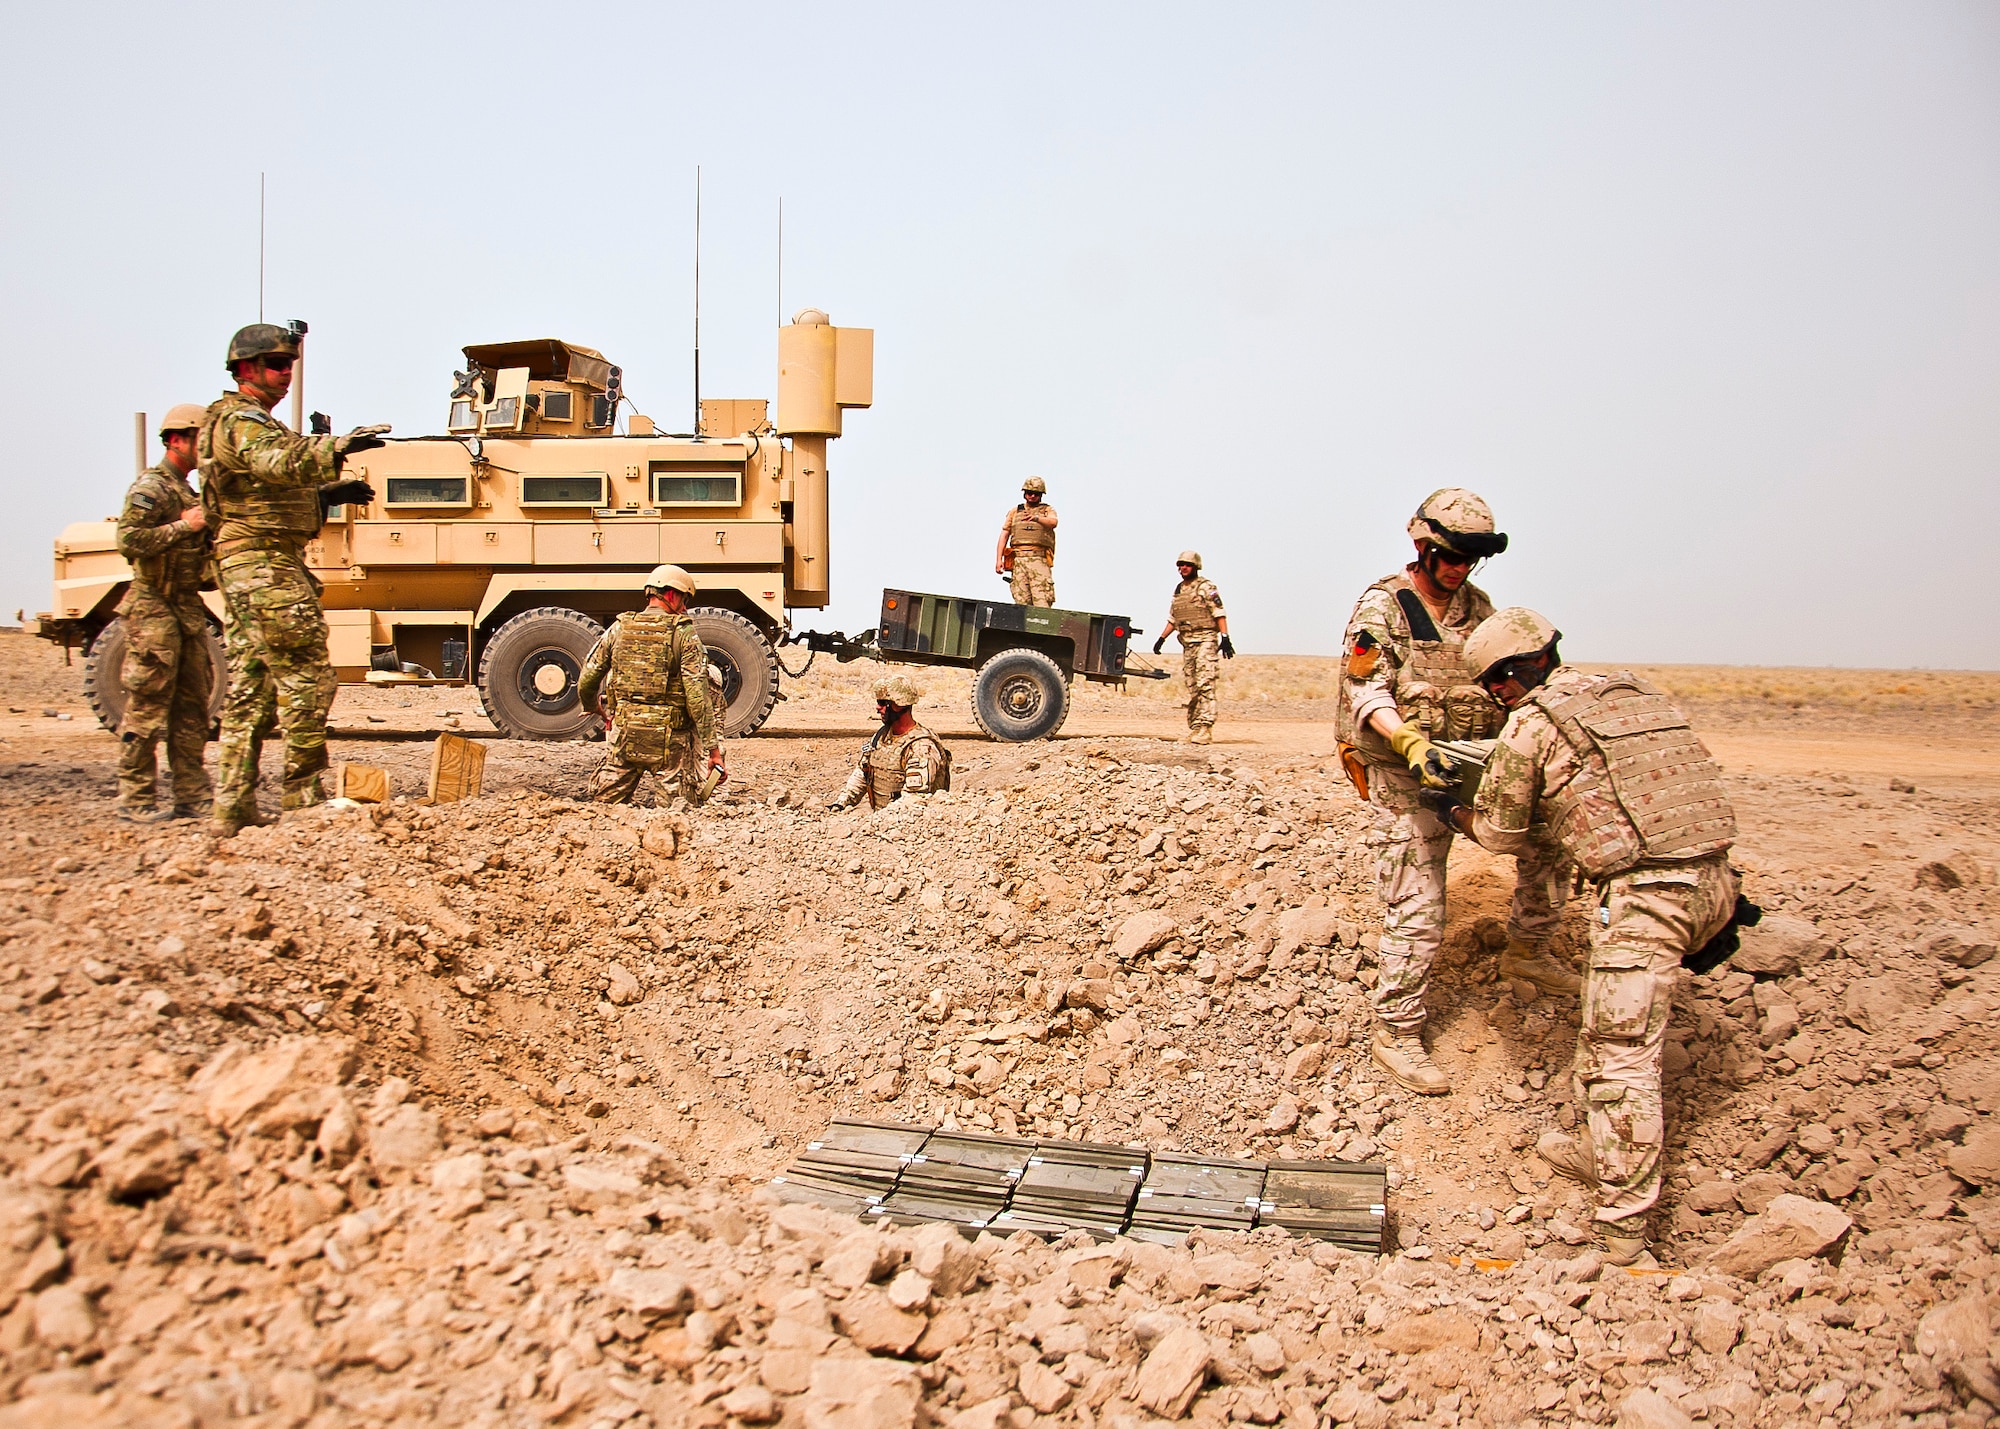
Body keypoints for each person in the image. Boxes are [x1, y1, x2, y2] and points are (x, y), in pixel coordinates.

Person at [1421, 608, 1741, 1266]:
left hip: (1651, 899)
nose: (1497, 700)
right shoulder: (1628, 690)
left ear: (1509, 678)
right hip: (1718, 882)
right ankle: (1602, 1149)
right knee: (1604, 1027)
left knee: (1623, 1059)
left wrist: (1448, 808)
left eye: (1494, 688)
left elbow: (1503, 834)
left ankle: (1623, 1235)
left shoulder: (1535, 724)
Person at [1333, 488, 1576, 1096]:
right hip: (1401, 770)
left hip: (1467, 762)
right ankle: (1395, 1027)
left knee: (1548, 842)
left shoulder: (1480, 608)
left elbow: (1508, 685)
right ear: (1423, 546)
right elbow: (1365, 691)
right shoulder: (1383, 607)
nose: (1459, 569)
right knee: (1421, 895)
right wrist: (1409, 741)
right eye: (1450, 555)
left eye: (1471, 558)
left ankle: (1528, 949)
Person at [201, 324, 387, 836]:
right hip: (261, 562)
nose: (286, 374)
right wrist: (335, 446)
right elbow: (276, 463)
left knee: (254, 686)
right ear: (244, 369)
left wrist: (330, 495)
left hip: (259, 560)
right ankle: (302, 797)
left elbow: (265, 486)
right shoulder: (241, 420)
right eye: (275, 364)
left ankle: (232, 807)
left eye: (289, 364)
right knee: (308, 675)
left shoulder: (249, 422)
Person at [112, 406, 215, 821]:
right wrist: (186, 527)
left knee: (192, 709)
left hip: (186, 607)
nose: (204, 449)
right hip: (153, 607)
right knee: (148, 706)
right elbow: (129, 540)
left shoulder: (189, 493)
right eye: (197, 440)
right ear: (176, 439)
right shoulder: (152, 488)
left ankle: (192, 795)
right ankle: (136, 799)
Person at [576, 565, 725, 805]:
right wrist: (713, 751)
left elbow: (587, 679)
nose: (685, 608)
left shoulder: (618, 628)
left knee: (604, 810)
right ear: (671, 595)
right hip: (670, 743)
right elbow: (698, 698)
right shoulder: (684, 634)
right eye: (684, 599)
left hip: (624, 735)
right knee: (675, 813)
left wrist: (594, 707)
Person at [827, 675, 950, 810]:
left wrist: (883, 821)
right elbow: (863, 772)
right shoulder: (881, 736)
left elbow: (914, 800)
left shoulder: (921, 748)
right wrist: (842, 802)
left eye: (882, 703)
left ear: (898, 705)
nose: (877, 707)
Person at [1151, 551, 1234, 745]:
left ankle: (1205, 728)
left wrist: (1225, 637)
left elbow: (1219, 612)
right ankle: (1196, 727)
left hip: (1205, 640)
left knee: (1205, 683)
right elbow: (1174, 618)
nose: (1183, 568)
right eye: (1180, 565)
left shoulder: (1206, 587)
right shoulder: (1180, 590)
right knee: (1193, 686)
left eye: (1187, 565)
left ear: (1195, 566)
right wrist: (1161, 639)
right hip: (1188, 643)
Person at [995, 476, 1058, 607]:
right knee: (1021, 602)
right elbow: (1004, 534)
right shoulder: (1015, 511)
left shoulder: (1047, 510)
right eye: (1030, 493)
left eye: (1036, 494)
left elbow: (1053, 522)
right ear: (1024, 493)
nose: (1033, 496)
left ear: (1041, 495)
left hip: (1039, 559)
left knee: (1042, 602)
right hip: (1018, 560)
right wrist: (998, 560)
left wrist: (1037, 518)